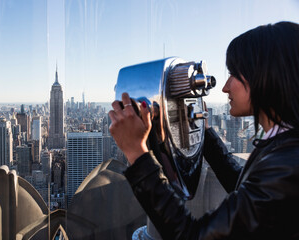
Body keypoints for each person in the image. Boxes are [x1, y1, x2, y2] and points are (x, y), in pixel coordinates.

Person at [108, 21, 299, 239]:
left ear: (266, 76)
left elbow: (193, 235)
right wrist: (203, 133)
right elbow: (244, 188)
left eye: (234, 74)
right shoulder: (284, 149)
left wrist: (137, 153)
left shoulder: (287, 167)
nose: (225, 87)